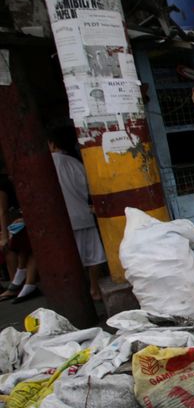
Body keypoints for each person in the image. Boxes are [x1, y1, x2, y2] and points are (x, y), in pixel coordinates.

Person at [47, 124, 107, 301]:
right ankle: (94, 289)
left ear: (51, 144)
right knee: (94, 256)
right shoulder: (76, 163)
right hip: (83, 216)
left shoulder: (48, 163)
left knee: (71, 261)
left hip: (63, 220)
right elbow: (88, 190)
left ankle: (77, 294)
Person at [0, 171, 39, 304]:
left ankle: (22, 283)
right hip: (20, 217)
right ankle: (21, 282)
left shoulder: (3, 185)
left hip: (20, 218)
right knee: (25, 250)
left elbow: (3, 211)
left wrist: (4, 235)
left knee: (24, 249)